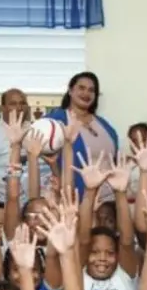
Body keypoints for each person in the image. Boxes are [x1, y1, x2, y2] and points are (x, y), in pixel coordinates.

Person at [46, 72, 119, 202]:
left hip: (109, 200)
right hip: (75, 200)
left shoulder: (105, 125)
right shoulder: (54, 122)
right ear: (70, 90)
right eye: (81, 88)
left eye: (91, 90)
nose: (86, 93)